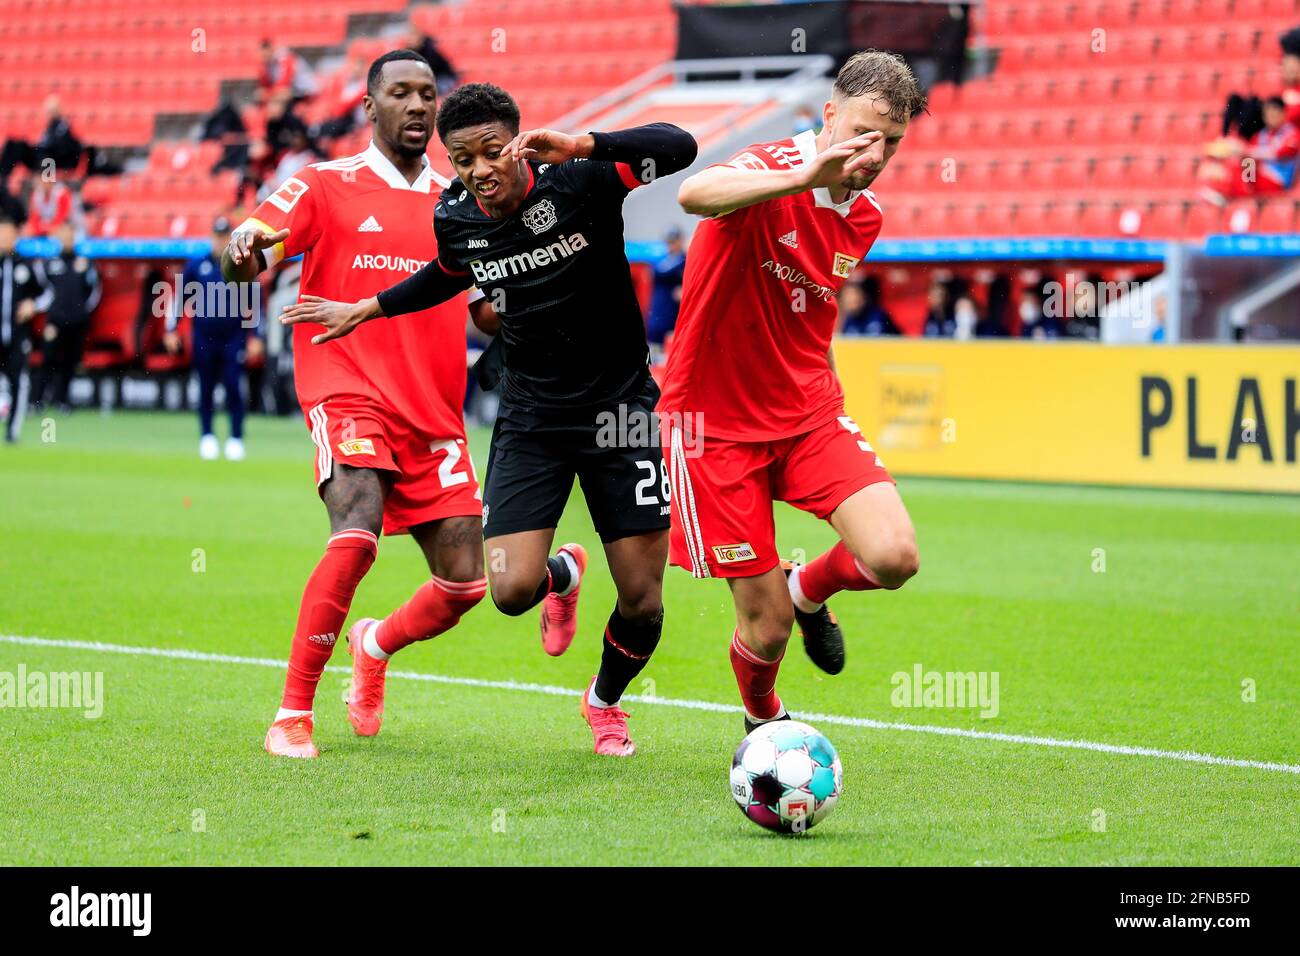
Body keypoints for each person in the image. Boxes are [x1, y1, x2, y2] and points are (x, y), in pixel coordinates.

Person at [281, 82, 698, 757]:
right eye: (462, 157)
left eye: (491, 151)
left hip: (621, 414)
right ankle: (562, 575)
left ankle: (605, 701)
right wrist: (369, 308)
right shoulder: (455, 215)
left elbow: (681, 147)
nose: (479, 170)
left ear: (517, 140)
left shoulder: (582, 180)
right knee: (507, 589)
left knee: (644, 601)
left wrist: (586, 141)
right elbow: (448, 272)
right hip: (532, 421)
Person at [222, 50, 492, 759]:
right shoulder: (323, 184)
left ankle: (373, 645)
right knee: (358, 527)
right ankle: (292, 714)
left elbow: (487, 302)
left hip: (433, 407)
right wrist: (244, 248)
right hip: (345, 388)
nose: (417, 105)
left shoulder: (462, 198)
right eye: (399, 93)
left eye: (427, 94)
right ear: (369, 108)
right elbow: (251, 250)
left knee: (466, 584)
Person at [661, 50, 923, 733]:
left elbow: (806, 308)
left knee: (894, 556)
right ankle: (763, 719)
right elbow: (691, 195)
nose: (876, 152)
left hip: (807, 413)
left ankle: (810, 588)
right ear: (830, 114)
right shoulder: (770, 168)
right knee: (767, 629)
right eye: (865, 132)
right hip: (712, 425)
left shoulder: (865, 218)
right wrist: (803, 176)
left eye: (890, 142)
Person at [166, 217, 263, 460]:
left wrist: (256, 335)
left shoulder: (240, 265)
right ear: (212, 237)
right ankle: (207, 436)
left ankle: (236, 438)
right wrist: (172, 329)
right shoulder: (197, 265)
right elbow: (179, 298)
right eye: (217, 236)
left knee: (233, 387)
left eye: (225, 236)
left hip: (233, 336)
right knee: (205, 388)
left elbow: (255, 302)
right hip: (204, 336)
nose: (220, 241)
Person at [30, 222, 98, 414]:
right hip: (55, 321)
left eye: (70, 235)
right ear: (58, 237)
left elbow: (93, 291)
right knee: (47, 359)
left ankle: (62, 401)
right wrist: (48, 312)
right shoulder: (49, 263)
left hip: (77, 321)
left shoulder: (85, 262)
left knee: (69, 362)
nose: (67, 238)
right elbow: (43, 291)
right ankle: (37, 400)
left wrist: (84, 311)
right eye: (64, 234)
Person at [1201, 96, 1299, 204]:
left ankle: (1225, 192)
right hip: (1260, 176)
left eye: (1274, 113)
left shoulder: (1291, 133)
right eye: (1268, 114)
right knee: (1238, 162)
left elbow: (1280, 153)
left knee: (1245, 165)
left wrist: (1245, 152)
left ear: (1283, 113)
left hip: (1278, 180)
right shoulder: (1262, 135)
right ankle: (1224, 190)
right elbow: (1248, 152)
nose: (1271, 117)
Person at [0, 218, 45, 442]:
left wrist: (33, 305)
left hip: (18, 337)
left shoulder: (27, 264)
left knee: (19, 381)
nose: (5, 239)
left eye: (9, 234)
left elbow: (48, 293)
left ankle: (12, 432)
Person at [646, 227, 686, 344]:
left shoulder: (685, 260)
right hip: (657, 310)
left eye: (673, 241)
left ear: (680, 241)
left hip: (673, 314)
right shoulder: (661, 259)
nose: (671, 245)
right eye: (669, 242)